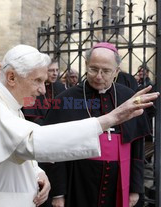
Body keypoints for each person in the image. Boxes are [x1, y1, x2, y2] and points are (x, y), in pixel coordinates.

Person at [0, 44, 159, 207]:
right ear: (11, 77)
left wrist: (38, 173)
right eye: (38, 81)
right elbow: (31, 142)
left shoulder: (9, 105)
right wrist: (109, 119)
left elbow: (15, 149)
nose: (43, 91)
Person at [43, 42, 154, 207]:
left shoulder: (128, 97)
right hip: (79, 181)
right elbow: (54, 152)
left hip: (118, 182)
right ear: (86, 65)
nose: (98, 76)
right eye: (93, 69)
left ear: (116, 71)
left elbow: (137, 149)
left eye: (106, 71)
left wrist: (135, 189)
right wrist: (59, 193)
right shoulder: (66, 99)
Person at [22, 58, 65, 125]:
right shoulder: (32, 87)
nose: (55, 73)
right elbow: (31, 116)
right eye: (51, 70)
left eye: (57, 70)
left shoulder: (60, 87)